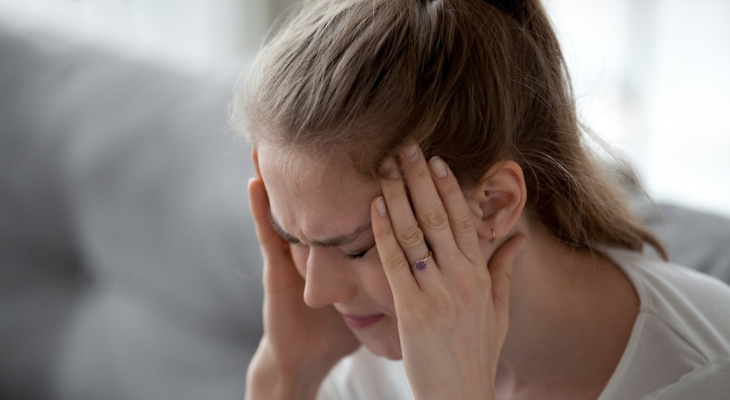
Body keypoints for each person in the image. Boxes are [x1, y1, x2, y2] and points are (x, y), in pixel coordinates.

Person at [231, 0, 730, 398]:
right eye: (290, 236)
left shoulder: (704, 374)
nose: (316, 294)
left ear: (492, 204)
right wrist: (286, 375)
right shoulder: (356, 360)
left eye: (358, 247)